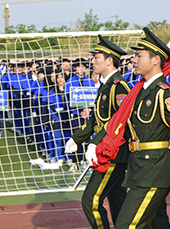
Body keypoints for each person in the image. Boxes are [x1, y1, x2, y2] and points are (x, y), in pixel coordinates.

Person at [106, 27, 170, 228]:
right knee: (157, 223)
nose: (134, 60)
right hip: (139, 169)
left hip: (153, 172)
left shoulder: (165, 95)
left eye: (139, 55)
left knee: (126, 225)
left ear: (155, 60)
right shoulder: (139, 92)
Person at [65, 35, 130, 229]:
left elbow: (118, 120)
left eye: (96, 57)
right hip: (107, 150)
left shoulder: (119, 86)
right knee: (118, 201)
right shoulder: (105, 85)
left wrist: (95, 141)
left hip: (113, 153)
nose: (92, 61)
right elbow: (96, 119)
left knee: (90, 201)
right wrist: (77, 138)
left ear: (109, 60)